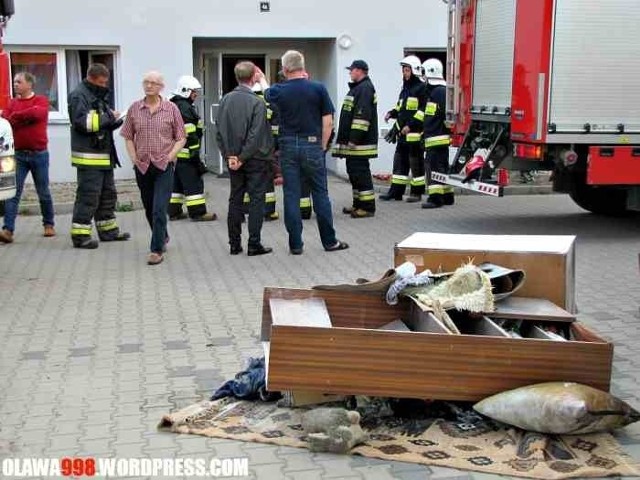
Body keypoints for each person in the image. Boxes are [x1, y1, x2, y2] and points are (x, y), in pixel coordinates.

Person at [264, 50, 348, 255]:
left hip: (288, 147)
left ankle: (296, 245)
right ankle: (329, 242)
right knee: (321, 194)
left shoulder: (279, 90)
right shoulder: (318, 88)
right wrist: (322, 146)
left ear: (284, 70)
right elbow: (328, 123)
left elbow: (266, 92)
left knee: (291, 195)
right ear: (303, 66)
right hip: (312, 144)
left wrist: (261, 77)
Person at [120, 71, 186, 265]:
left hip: (163, 166)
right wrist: (133, 158)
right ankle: (162, 234)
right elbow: (128, 136)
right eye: (146, 82)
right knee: (149, 207)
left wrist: (170, 157)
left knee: (159, 208)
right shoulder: (134, 109)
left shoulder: (171, 109)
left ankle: (156, 250)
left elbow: (181, 137)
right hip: (142, 166)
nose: (149, 86)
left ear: (161, 87)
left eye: (153, 83)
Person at [68, 63, 130, 249]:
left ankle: (108, 231)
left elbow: (101, 122)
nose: (105, 86)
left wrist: (115, 121)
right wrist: (108, 118)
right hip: (89, 157)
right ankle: (80, 236)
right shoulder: (79, 95)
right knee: (89, 197)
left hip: (103, 155)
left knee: (107, 195)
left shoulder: (96, 95)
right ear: (92, 79)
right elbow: (83, 123)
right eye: (102, 82)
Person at [215, 61, 273, 256]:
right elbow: (256, 134)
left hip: (233, 158)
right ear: (253, 77)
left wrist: (229, 156)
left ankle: (234, 244)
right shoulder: (257, 102)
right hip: (255, 158)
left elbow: (219, 132)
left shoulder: (225, 100)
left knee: (235, 199)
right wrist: (243, 156)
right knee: (257, 200)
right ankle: (254, 244)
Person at [0, 72, 55, 243]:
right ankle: (7, 230)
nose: (15, 84)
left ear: (29, 84)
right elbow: (6, 120)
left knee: (43, 191)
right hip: (16, 155)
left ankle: (48, 224)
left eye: (19, 82)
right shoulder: (12, 103)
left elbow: (37, 114)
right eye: (15, 82)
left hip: (39, 154)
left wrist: (16, 117)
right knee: (12, 193)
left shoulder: (41, 100)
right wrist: (22, 117)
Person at [332, 60, 378, 218]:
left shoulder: (364, 88)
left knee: (361, 174)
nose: (350, 73)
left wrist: (354, 139)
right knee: (354, 173)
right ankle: (358, 204)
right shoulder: (358, 88)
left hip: (359, 144)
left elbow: (362, 117)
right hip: (355, 144)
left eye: (351, 70)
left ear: (359, 71)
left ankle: (367, 207)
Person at [168, 75, 217, 222]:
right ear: (185, 91)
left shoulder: (175, 105)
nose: (195, 95)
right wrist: (195, 156)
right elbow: (190, 134)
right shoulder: (184, 108)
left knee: (176, 184)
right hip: (187, 154)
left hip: (177, 154)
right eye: (194, 92)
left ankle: (173, 211)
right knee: (193, 183)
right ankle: (198, 213)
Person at [379, 55, 428, 203]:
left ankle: (416, 193)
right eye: (404, 70)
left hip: (414, 134)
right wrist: (391, 113)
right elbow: (402, 108)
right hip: (402, 133)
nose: (405, 73)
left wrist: (410, 126)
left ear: (414, 71)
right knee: (399, 162)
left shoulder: (421, 88)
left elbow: (422, 111)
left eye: (407, 70)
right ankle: (396, 192)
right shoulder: (405, 89)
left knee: (416, 165)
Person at [421, 58, 455, 209]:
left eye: (424, 74)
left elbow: (441, 117)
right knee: (441, 167)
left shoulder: (439, 92)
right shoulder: (436, 91)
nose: (423, 79)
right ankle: (447, 195)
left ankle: (435, 198)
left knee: (434, 167)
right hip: (435, 138)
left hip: (437, 138)